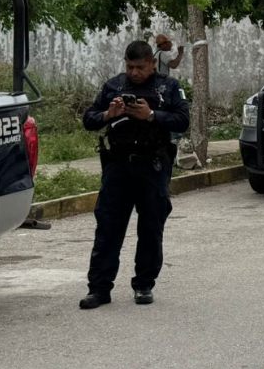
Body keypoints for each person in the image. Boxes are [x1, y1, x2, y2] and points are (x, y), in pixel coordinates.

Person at [80, 40, 191, 310]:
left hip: (152, 166)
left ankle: (143, 285)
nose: (133, 73)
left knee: (151, 227)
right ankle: (99, 289)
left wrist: (152, 115)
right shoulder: (114, 86)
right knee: (107, 227)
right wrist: (109, 113)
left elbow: (183, 121)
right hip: (118, 166)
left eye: (139, 67)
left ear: (152, 64)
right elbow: (89, 119)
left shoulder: (169, 87)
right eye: (129, 67)